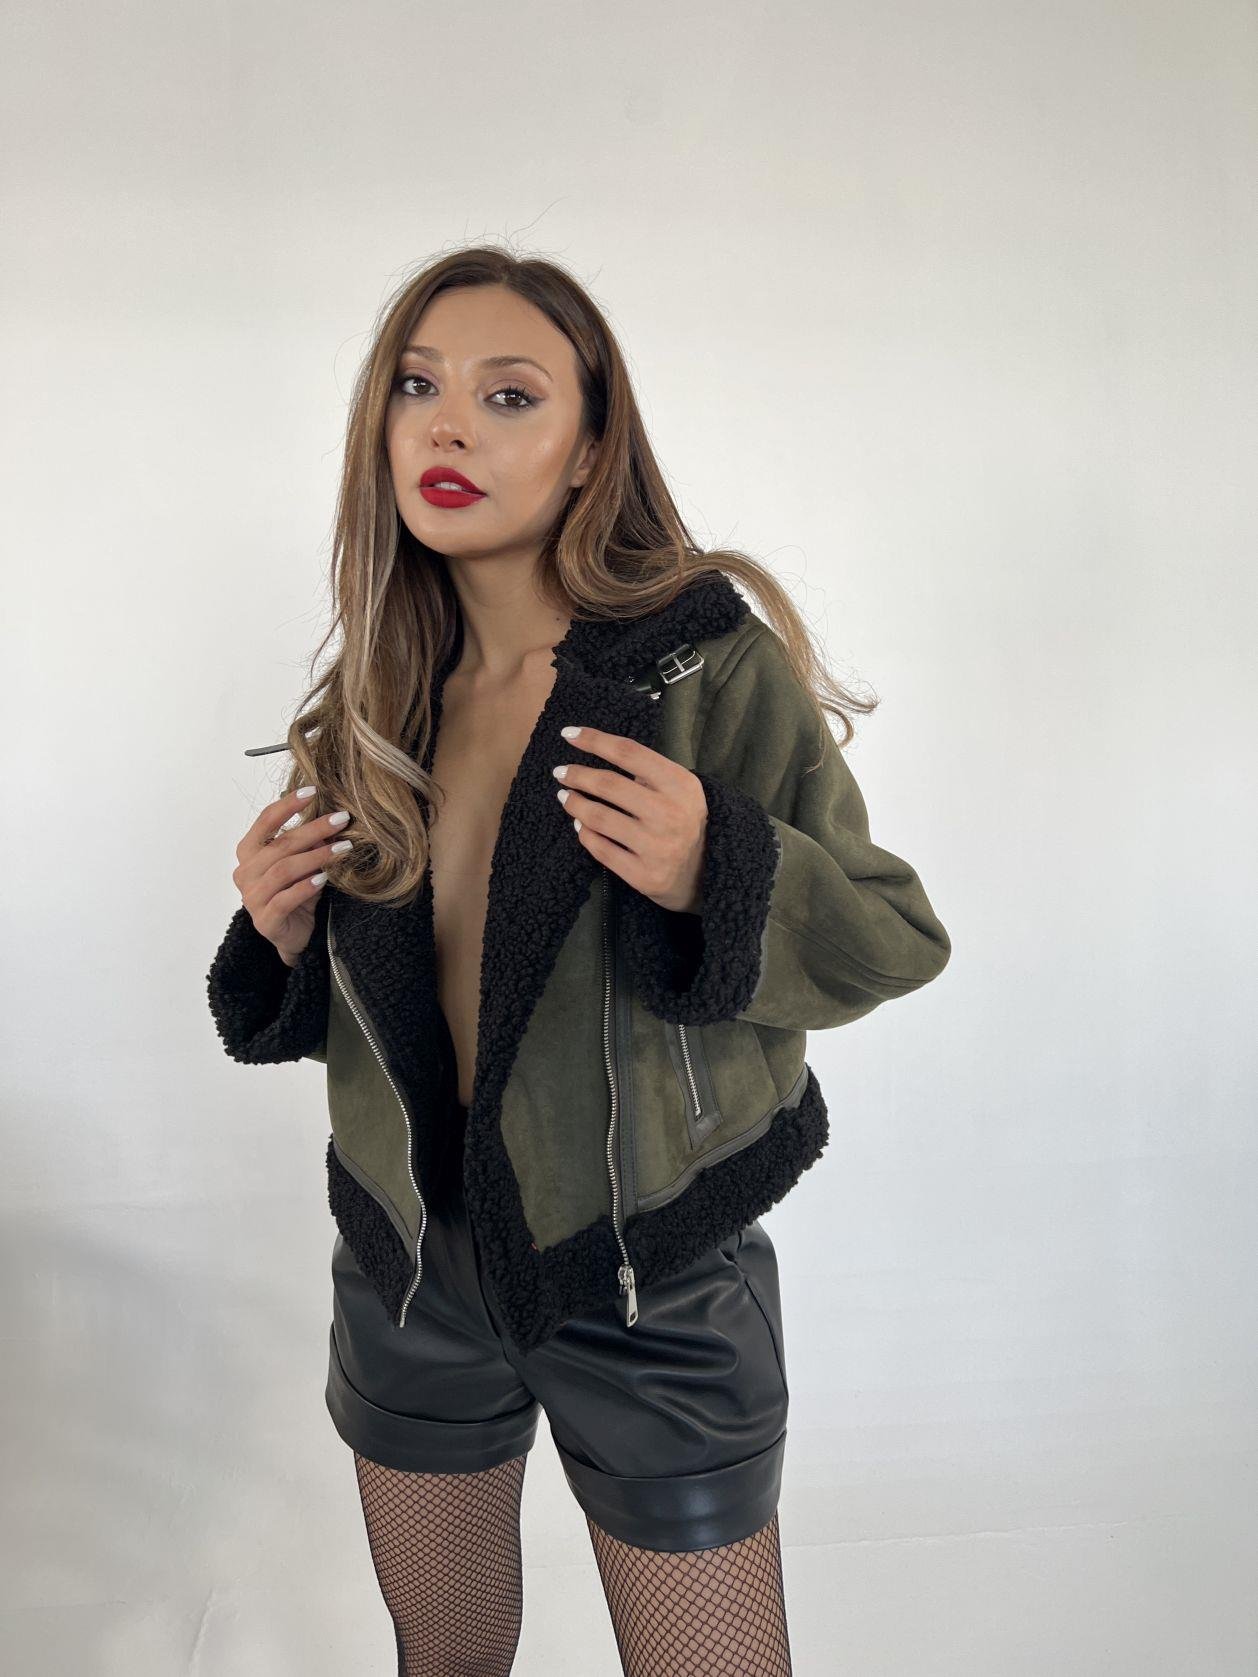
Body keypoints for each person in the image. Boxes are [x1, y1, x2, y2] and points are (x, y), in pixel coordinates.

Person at [206, 245, 952, 1677]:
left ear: (592, 446)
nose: (447, 426)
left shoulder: (702, 671)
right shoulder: (377, 693)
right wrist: (279, 935)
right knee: (445, 1657)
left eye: (509, 395)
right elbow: (382, 1014)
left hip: (647, 1278)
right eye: (416, 387)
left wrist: (720, 865)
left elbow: (893, 935)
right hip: (410, 1273)